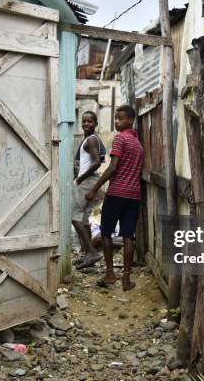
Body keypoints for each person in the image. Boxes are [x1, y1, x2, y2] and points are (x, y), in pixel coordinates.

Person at [86, 105, 144, 291]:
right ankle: (126, 280)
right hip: (134, 196)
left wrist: (95, 188)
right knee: (128, 236)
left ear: (131, 120)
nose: (117, 121)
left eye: (120, 118)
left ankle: (110, 273)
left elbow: (112, 167)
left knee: (106, 233)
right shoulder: (138, 144)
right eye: (116, 118)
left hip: (117, 193)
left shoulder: (120, 139)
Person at [72, 111, 107, 269]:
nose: (86, 124)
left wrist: (80, 179)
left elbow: (97, 163)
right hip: (91, 181)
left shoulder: (91, 140)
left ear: (96, 124)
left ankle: (92, 252)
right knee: (84, 219)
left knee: (74, 217)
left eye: (90, 122)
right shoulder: (92, 139)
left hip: (86, 181)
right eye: (84, 121)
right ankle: (88, 254)